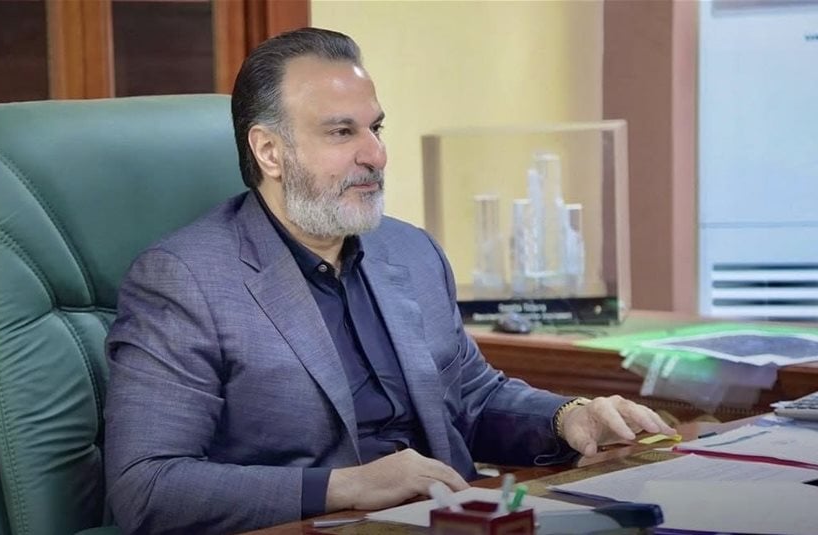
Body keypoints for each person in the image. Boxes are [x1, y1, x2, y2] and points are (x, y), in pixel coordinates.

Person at [104, 27, 675, 534]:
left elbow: (472, 399)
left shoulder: (410, 251)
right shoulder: (184, 279)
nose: (376, 154)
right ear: (270, 152)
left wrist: (566, 417)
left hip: (452, 519)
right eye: (341, 132)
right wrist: (347, 486)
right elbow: (147, 488)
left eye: (375, 127)